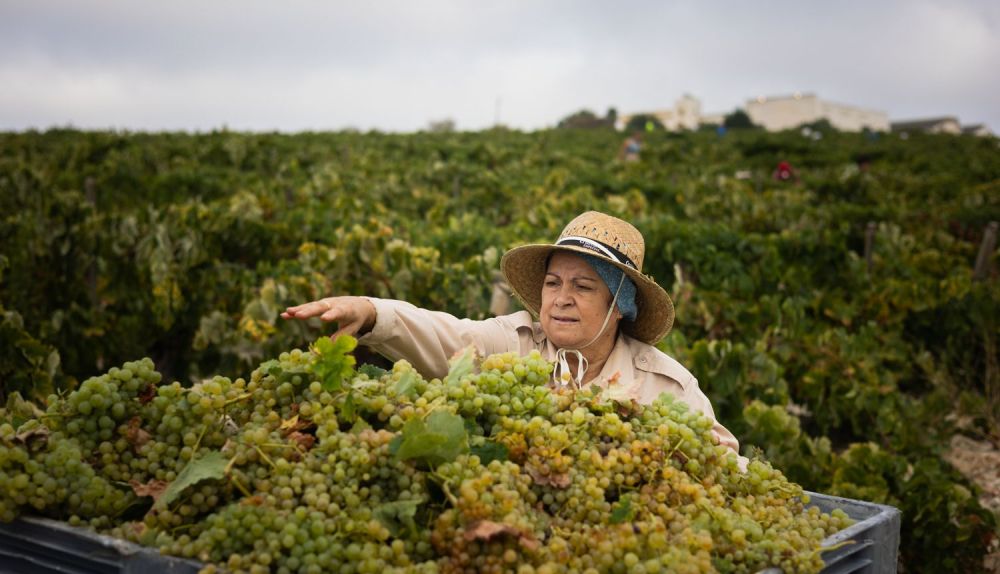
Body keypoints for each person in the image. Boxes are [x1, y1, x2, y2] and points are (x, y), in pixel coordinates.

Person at [281, 211, 743, 460]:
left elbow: (725, 462)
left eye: (583, 287)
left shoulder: (669, 386)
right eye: (553, 283)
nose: (561, 298)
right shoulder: (515, 344)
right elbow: (445, 335)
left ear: (619, 307)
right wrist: (370, 312)